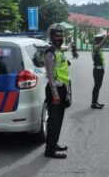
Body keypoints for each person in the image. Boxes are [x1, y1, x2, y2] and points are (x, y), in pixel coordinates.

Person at [44, 23, 70, 159]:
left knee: (58, 120)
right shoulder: (50, 54)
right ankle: (50, 150)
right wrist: (55, 94)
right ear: (52, 37)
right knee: (53, 121)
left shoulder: (59, 51)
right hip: (55, 91)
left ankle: (54, 143)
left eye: (61, 35)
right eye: (57, 35)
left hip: (62, 89)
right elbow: (50, 76)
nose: (60, 38)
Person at [91, 32, 109, 109]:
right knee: (96, 87)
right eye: (102, 40)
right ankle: (93, 103)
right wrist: (106, 36)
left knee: (98, 87)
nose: (104, 42)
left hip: (100, 71)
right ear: (99, 40)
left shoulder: (99, 49)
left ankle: (95, 102)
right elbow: (101, 44)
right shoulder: (95, 48)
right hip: (97, 71)